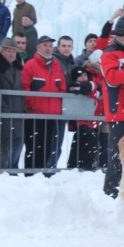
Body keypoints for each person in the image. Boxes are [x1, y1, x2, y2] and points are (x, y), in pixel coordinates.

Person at [101, 15, 124, 197]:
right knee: (118, 157)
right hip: (119, 114)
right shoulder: (109, 54)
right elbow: (112, 78)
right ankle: (111, 192)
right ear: (119, 33)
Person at [21, 35, 66, 172]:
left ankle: (41, 174)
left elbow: (62, 87)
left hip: (51, 115)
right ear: (38, 47)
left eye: (50, 45)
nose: (48, 48)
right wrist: (32, 105)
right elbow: (25, 87)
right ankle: (30, 174)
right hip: (35, 115)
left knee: (47, 146)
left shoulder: (56, 65)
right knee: (33, 146)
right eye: (45, 45)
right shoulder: (30, 65)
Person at [0, 38, 26, 169]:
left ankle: (12, 170)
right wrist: (4, 110)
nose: (11, 54)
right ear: (1, 51)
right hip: (3, 113)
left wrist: (22, 109)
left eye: (13, 51)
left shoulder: (17, 67)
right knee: (3, 145)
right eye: (8, 51)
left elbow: (21, 88)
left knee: (18, 144)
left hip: (17, 112)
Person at [66, 66, 103, 170]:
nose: (83, 78)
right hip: (78, 120)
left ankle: (73, 165)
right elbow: (83, 88)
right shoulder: (73, 86)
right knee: (91, 137)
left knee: (79, 142)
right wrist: (94, 84)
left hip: (90, 120)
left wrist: (93, 86)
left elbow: (97, 92)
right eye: (80, 76)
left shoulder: (90, 86)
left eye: (84, 75)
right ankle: (87, 165)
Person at [50, 35, 77, 167]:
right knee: (50, 139)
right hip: (53, 105)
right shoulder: (54, 61)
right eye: (64, 46)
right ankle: (47, 167)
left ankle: (52, 166)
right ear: (58, 47)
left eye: (69, 46)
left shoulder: (72, 62)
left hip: (64, 106)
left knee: (58, 139)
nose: (66, 49)